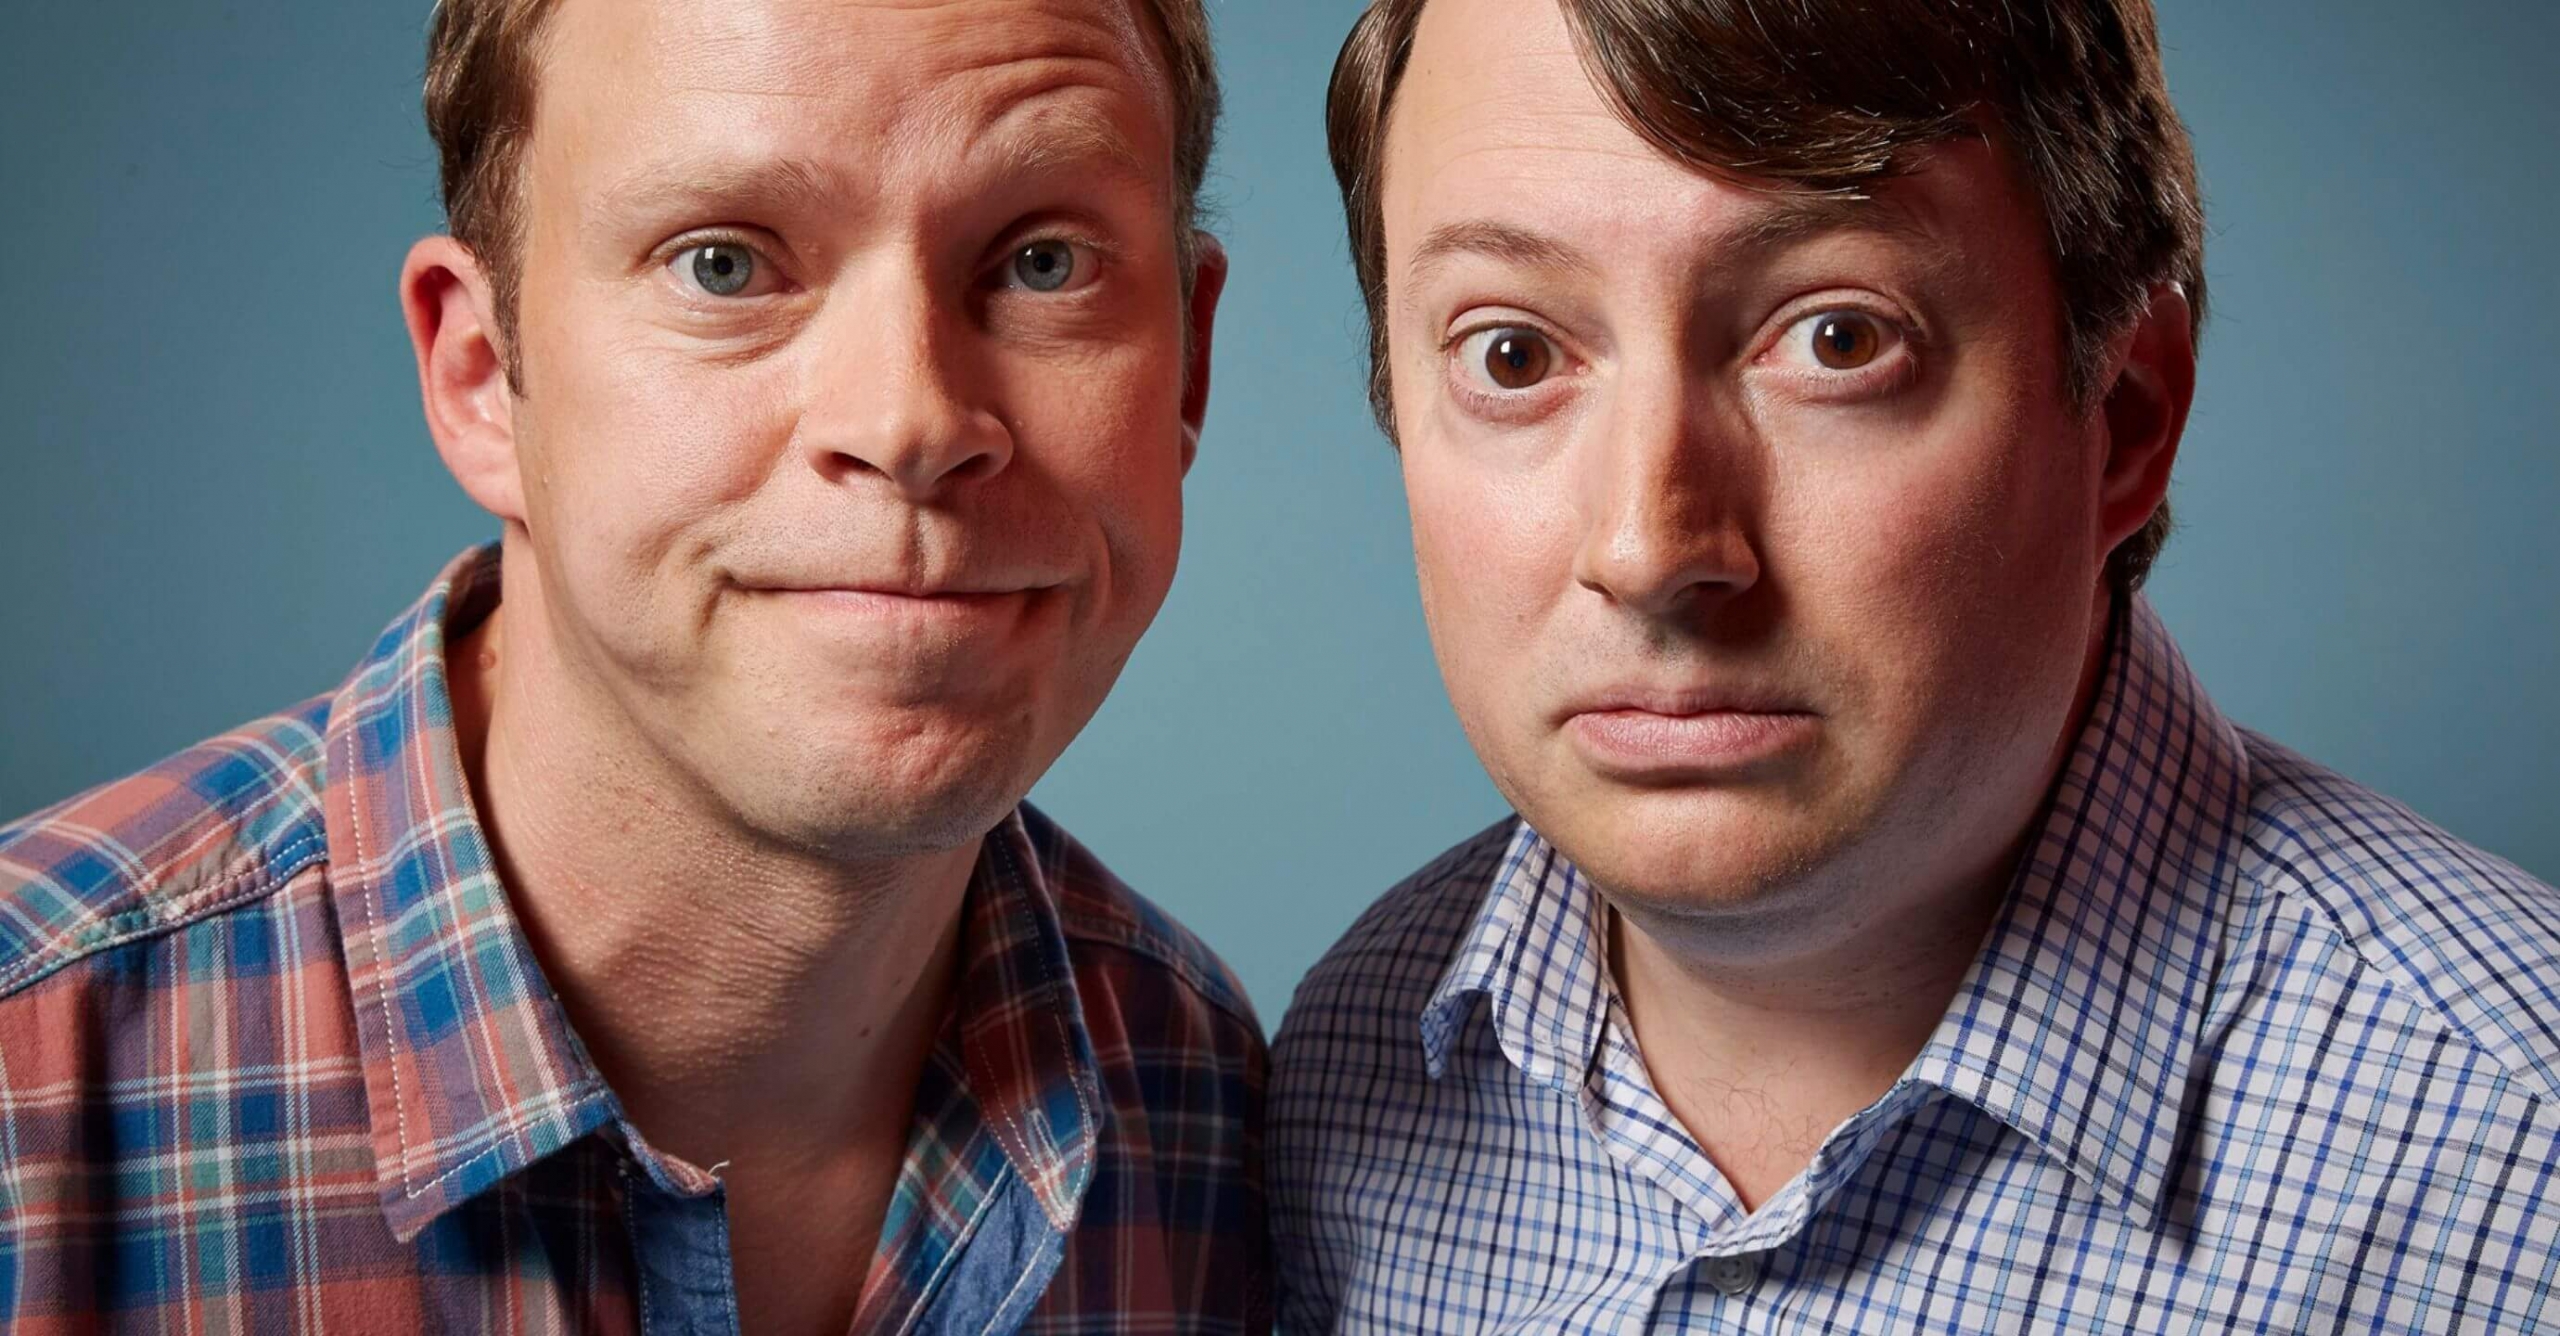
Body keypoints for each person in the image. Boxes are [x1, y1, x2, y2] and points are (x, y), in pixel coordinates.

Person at [1270, 0, 2560, 1330]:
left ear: (2122, 417)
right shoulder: (1350, 1068)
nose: (1652, 546)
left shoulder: (2523, 1165)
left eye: (1838, 338)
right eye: (1514, 352)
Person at [0, 1, 1267, 1331]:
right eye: (723, 263)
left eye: (1046, 262)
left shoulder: (1198, 1096)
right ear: (481, 374)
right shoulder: (34, 1075)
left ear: (1187, 365)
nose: (910, 422)